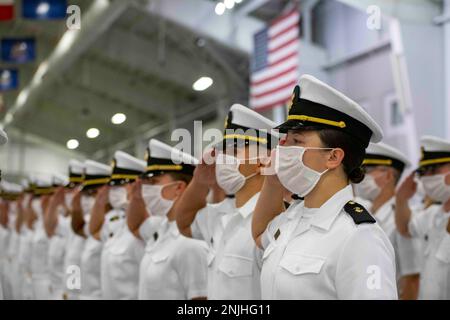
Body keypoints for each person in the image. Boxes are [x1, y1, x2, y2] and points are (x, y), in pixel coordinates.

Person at [252, 74, 397, 299]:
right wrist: (273, 179)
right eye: (285, 141)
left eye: (296, 141)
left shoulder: (360, 238)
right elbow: (260, 234)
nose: (283, 150)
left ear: (333, 157)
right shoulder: (294, 217)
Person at [175, 104, 279, 300]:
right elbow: (184, 223)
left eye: (235, 150)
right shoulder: (220, 213)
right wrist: (199, 182)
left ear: (262, 161)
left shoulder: (273, 220)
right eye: (224, 150)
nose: (223, 158)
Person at [127, 139, 208, 300]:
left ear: (178, 187)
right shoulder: (161, 228)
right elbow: (135, 227)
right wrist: (136, 198)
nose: (147, 189)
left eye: (153, 182)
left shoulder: (193, 242)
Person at [353, 142, 422, 299]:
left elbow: (411, 279)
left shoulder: (402, 219)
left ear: (389, 176)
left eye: (367, 171)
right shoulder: (360, 213)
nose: (361, 177)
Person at [395, 135, 450, 299]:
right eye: (424, 172)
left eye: (434, 170)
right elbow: (405, 228)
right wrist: (401, 198)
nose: (427, 177)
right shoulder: (433, 215)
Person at [95, 151, 146, 300]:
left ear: (136, 185)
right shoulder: (118, 221)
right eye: (113, 186)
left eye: (121, 185)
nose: (114, 191)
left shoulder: (145, 223)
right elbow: (94, 231)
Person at [74, 160, 111, 300]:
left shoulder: (115, 222)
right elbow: (77, 228)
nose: (88, 199)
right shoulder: (91, 221)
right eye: (86, 194)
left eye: (93, 193)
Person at [44, 174, 72, 300]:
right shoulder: (64, 219)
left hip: (69, 291)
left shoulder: (76, 223)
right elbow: (50, 228)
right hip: (57, 288)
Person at [61, 160, 87, 300]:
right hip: (71, 292)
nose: (71, 194)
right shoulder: (71, 221)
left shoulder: (87, 223)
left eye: (76, 188)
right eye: (69, 189)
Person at [29, 177, 55, 300]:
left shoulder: (59, 225)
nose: (39, 202)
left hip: (50, 283)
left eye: (42, 198)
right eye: (37, 197)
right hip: (36, 279)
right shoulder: (38, 223)